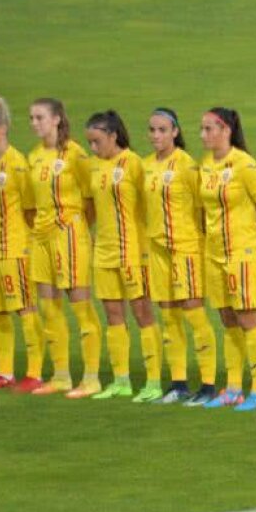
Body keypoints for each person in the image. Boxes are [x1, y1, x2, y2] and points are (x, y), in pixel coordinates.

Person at [72, 110, 162, 400]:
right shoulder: (93, 166)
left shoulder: (134, 164)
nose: (93, 148)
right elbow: (90, 205)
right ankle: (121, 380)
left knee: (142, 314)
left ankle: (153, 382)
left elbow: (151, 206)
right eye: (89, 142)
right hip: (103, 253)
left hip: (132, 252)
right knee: (113, 316)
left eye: (97, 141)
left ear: (113, 136)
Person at [25, 98, 104, 398]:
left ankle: (92, 378)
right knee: (48, 306)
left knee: (80, 306)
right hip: (41, 236)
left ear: (57, 119)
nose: (34, 123)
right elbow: (31, 204)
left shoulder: (75, 153)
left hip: (69, 234)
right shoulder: (34, 156)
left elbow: (91, 198)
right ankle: (60, 376)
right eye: (32, 118)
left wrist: (79, 228)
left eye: (40, 117)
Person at [140, 107, 218, 405]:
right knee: (169, 316)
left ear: (175, 131)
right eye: (152, 130)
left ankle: (208, 386)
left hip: (185, 248)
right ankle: (178, 384)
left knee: (194, 314)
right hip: (157, 249)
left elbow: (202, 209)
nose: (156, 135)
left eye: (162, 130)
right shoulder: (146, 165)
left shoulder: (187, 165)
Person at [197, 107, 256, 411]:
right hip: (214, 253)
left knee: (248, 318)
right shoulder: (205, 164)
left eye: (208, 129)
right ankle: (233, 388)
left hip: (243, 252)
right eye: (201, 129)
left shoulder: (245, 165)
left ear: (226, 130)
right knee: (227, 319)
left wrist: (255, 240)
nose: (202, 135)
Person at [0, 96, 45, 392]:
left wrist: (33, 245)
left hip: (14, 249)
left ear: (3, 129)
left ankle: (35, 373)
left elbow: (31, 209)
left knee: (25, 309)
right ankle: (5, 373)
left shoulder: (19, 164)